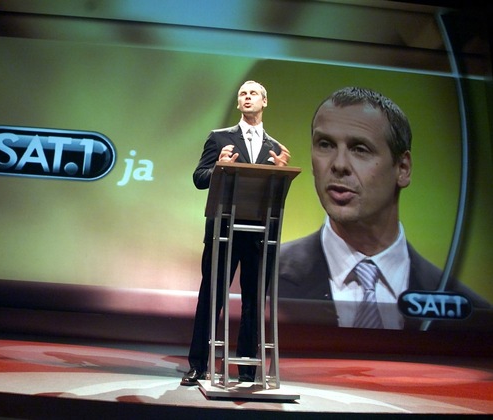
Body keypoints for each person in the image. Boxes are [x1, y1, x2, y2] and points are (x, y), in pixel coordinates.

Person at [278, 86, 490, 330]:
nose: (338, 165)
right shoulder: (259, 283)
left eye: (359, 148)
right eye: (325, 144)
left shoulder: (472, 313)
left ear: (403, 168)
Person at [181, 80, 291, 386]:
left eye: (253, 93)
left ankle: (247, 370)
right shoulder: (219, 138)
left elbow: (277, 190)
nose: (246, 97)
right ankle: (198, 365)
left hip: (258, 234)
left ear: (264, 102)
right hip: (223, 231)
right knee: (211, 298)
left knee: (254, 302)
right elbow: (199, 177)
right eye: (242, 93)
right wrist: (219, 166)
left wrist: (280, 172)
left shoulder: (276, 148)